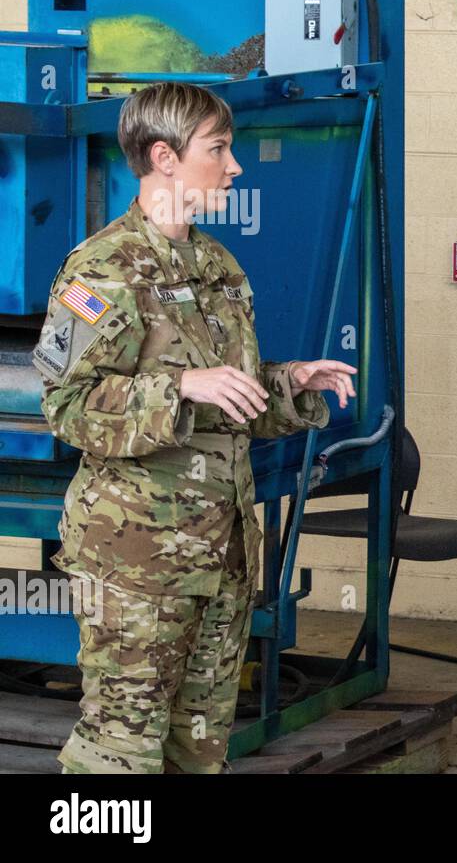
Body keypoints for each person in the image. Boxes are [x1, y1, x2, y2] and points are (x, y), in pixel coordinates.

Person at [33, 81, 357, 773]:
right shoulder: (102, 272)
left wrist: (288, 383)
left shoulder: (218, 268)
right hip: (137, 564)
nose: (235, 166)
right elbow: (67, 406)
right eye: (218, 149)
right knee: (119, 754)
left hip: (222, 557)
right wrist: (179, 385)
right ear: (164, 157)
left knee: (198, 749)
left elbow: (225, 400)